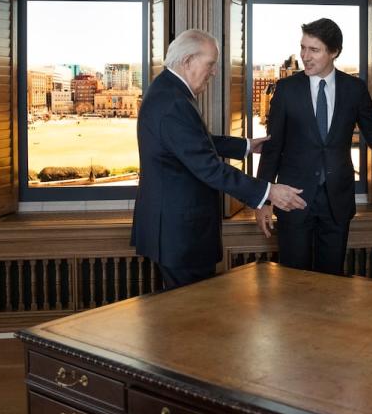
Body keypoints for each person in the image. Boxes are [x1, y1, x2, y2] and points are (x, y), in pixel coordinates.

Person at [256, 18, 372, 275]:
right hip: (293, 199)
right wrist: (264, 199)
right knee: (292, 283)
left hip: (337, 203)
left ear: (333, 52)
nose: (304, 57)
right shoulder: (286, 89)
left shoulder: (354, 89)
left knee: (332, 283)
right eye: (303, 48)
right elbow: (272, 147)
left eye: (314, 50)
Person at [131, 29, 306, 289]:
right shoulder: (173, 102)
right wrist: (269, 191)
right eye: (210, 64)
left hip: (173, 228)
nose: (213, 72)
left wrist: (245, 146)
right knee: (192, 316)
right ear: (188, 60)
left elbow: (192, 142)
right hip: (180, 234)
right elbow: (209, 168)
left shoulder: (168, 91)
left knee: (184, 315)